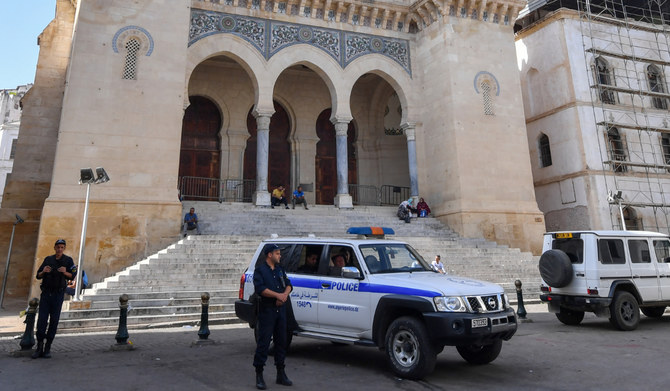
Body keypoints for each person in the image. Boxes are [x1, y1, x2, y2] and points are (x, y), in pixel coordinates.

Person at [253, 244, 293, 389]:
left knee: (281, 342)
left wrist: (284, 295)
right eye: (277, 253)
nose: (280, 256)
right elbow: (261, 289)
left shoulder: (280, 269)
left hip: (281, 310)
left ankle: (281, 373)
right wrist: (277, 295)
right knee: (264, 343)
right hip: (267, 311)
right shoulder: (260, 270)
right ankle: (259, 374)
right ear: (269, 255)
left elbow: (288, 284)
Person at [33, 239, 77, 359]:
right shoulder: (48, 259)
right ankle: (39, 346)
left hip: (58, 294)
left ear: (64, 248)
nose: (60, 249)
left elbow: (73, 274)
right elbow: (38, 275)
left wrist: (65, 272)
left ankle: (48, 347)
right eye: (58, 247)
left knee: (54, 320)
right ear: (54, 248)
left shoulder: (68, 260)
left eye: (62, 247)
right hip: (46, 293)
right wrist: (44, 271)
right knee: (42, 320)